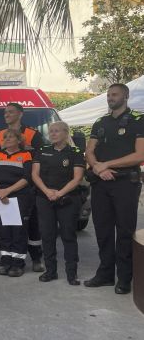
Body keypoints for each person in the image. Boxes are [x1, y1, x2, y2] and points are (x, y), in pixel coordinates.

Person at [84, 83, 144, 295]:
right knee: (103, 230)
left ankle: (125, 278)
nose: (110, 97)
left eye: (114, 94)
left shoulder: (138, 120)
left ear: (125, 96)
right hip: (101, 183)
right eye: (108, 95)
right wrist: (99, 169)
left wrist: (107, 165)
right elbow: (89, 151)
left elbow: (140, 155)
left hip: (125, 183)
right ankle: (105, 274)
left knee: (125, 231)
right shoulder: (101, 122)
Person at [31, 121, 84, 285]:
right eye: (51, 131)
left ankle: (71, 274)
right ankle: (51, 271)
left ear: (66, 133)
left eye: (56, 131)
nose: (52, 134)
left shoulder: (75, 152)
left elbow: (77, 178)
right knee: (47, 236)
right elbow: (35, 175)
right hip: (45, 198)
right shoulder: (42, 151)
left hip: (67, 199)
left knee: (68, 236)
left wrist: (59, 193)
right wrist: (47, 192)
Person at [0, 103, 44, 272]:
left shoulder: (32, 134)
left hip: (28, 188)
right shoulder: (0, 134)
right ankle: (7, 257)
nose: (6, 114)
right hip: (4, 190)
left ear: (20, 114)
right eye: (5, 112)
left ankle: (36, 258)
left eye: (11, 112)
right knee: (7, 225)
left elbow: (39, 159)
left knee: (31, 224)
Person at [0, 129, 33, 278]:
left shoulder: (26, 155)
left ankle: (18, 264)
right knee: (3, 230)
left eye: (11, 137)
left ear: (19, 140)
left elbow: (27, 178)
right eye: (5, 137)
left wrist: (7, 191)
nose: (7, 139)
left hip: (18, 198)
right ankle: (6, 261)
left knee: (18, 232)